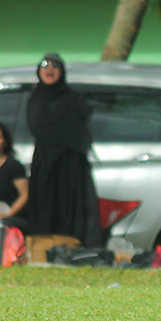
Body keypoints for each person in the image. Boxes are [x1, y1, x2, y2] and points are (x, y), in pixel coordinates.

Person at [26, 53, 102, 247]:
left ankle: (72, 248)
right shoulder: (35, 97)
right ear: (38, 71)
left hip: (70, 164)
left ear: (62, 71)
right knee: (44, 208)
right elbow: (37, 127)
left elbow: (82, 129)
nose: (49, 70)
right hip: (44, 164)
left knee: (71, 208)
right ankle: (45, 250)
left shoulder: (74, 99)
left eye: (55, 66)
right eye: (45, 66)